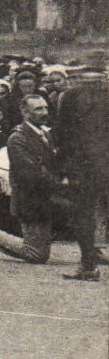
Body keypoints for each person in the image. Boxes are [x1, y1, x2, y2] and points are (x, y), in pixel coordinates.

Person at [0, 95, 65, 268]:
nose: (44, 112)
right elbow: (31, 175)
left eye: (45, 108)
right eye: (38, 109)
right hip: (31, 202)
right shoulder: (18, 139)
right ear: (25, 112)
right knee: (37, 254)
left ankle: (93, 250)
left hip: (48, 198)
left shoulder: (44, 134)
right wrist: (62, 183)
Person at [52, 76, 107, 281]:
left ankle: (88, 266)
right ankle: (88, 265)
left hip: (82, 165)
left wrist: (60, 166)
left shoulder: (70, 96)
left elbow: (60, 134)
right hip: (99, 162)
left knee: (83, 215)